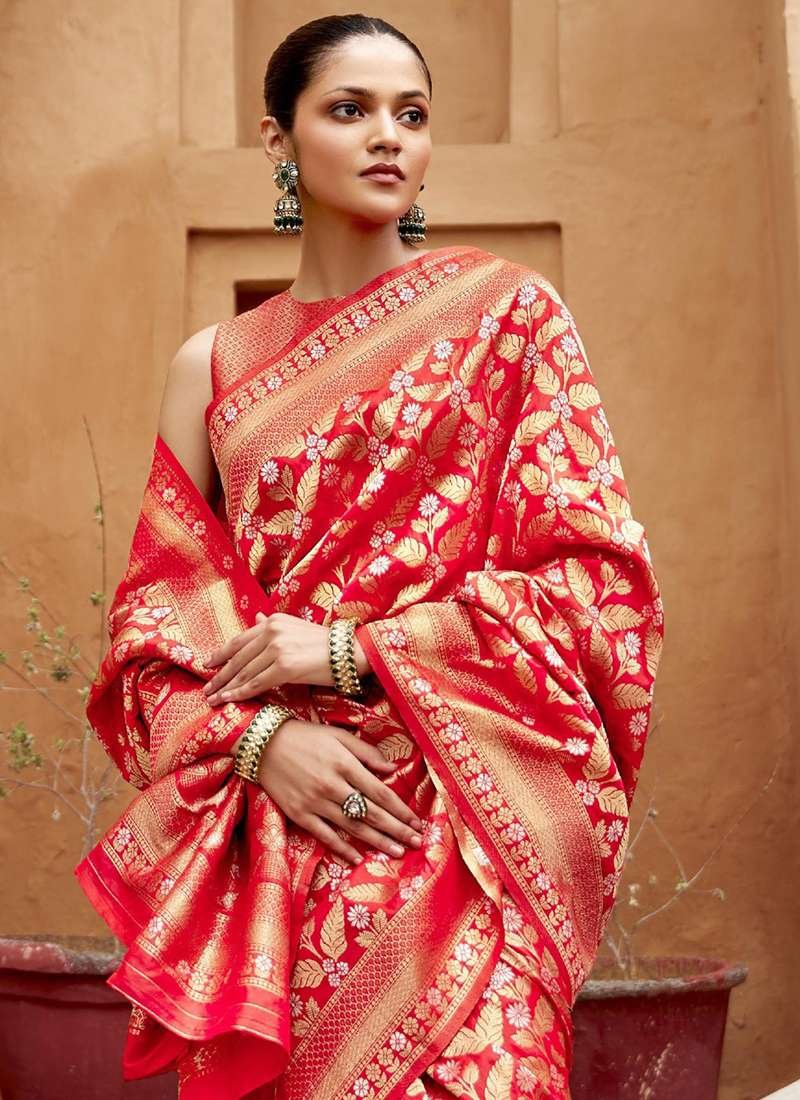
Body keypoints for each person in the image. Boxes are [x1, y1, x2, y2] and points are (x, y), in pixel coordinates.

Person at [75, 14, 664, 1100]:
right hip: (290, 841)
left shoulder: (508, 317)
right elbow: (154, 634)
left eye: (411, 114)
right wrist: (260, 743)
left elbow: (596, 589)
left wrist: (352, 650)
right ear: (279, 139)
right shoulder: (215, 367)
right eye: (350, 110)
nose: (388, 135)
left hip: (469, 823)